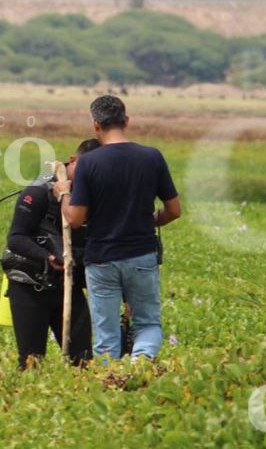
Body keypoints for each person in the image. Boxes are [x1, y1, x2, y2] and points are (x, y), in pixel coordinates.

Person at [54, 95, 181, 362]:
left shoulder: (89, 163)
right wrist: (149, 221)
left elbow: (76, 219)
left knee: (106, 333)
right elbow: (173, 211)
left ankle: (110, 384)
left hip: (101, 259)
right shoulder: (152, 157)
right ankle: (140, 366)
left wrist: (64, 193)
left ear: (95, 125)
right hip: (142, 257)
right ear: (126, 121)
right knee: (148, 324)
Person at [2, 139, 99, 369]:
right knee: (31, 362)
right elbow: (16, 238)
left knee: (83, 361)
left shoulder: (95, 197)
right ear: (73, 161)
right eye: (86, 169)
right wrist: (47, 257)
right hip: (30, 286)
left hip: (70, 285)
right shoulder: (37, 192)